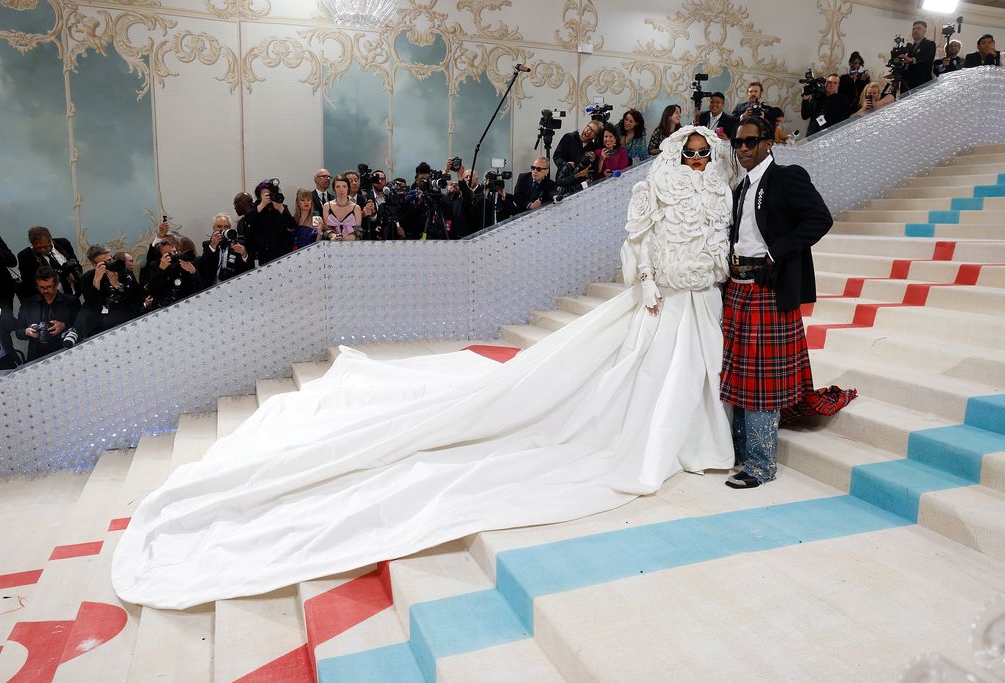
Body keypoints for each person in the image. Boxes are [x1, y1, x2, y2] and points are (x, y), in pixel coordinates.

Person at [111, 125, 738, 610]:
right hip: (663, 299)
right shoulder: (653, 186)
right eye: (691, 154)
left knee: (689, 368)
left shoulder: (719, 190)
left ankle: (697, 430)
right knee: (642, 376)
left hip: (704, 294)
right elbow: (636, 241)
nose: (698, 162)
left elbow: (720, 241)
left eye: (704, 155)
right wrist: (648, 281)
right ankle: (664, 434)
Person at [722, 117, 851, 489]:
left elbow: (819, 219)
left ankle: (762, 466)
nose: (743, 148)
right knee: (738, 376)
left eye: (750, 142)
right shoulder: (738, 187)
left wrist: (774, 256)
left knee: (760, 381)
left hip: (768, 287)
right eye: (738, 143)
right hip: (738, 286)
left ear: (768, 143)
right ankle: (741, 453)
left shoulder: (787, 176)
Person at [64, 245, 143, 347]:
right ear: (94, 264)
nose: (109, 264)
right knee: (86, 308)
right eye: (104, 263)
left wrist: (117, 285)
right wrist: (96, 281)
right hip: (103, 311)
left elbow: (137, 295)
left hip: (124, 308)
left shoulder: (121, 269)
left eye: (110, 260)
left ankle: (76, 330)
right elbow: (92, 304)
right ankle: (75, 331)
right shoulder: (87, 278)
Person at [16, 266, 80, 362]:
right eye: (41, 287)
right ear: (37, 285)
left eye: (49, 287)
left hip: (66, 353)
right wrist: (27, 331)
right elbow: (18, 332)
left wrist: (64, 326)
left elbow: (81, 326)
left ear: (57, 284)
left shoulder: (71, 301)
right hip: (37, 356)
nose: (45, 291)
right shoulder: (27, 304)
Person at [17, 226, 81, 301]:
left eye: (45, 246)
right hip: (47, 300)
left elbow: (76, 264)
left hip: (73, 295)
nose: (42, 250)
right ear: (32, 244)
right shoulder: (25, 256)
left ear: (50, 240)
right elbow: (29, 282)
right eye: (38, 248)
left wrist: (73, 273)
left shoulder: (63, 243)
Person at [246, 180, 295, 265]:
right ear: (259, 196)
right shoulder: (255, 208)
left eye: (270, 194)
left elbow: (292, 225)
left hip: (281, 252)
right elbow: (248, 219)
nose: (268, 197)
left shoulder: (280, 207)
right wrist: (262, 205)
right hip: (262, 253)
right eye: (265, 194)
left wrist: (280, 209)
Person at [200, 212, 252, 287]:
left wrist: (244, 255)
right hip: (213, 286)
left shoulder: (240, 244)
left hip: (235, 285)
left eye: (226, 227)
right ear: (213, 228)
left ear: (230, 228)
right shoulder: (208, 245)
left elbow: (249, 269)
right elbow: (203, 269)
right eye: (219, 226)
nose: (223, 229)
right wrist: (212, 246)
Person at [320, 176, 362, 242]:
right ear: (334, 189)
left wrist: (351, 237)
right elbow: (326, 228)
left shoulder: (356, 208)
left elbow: (358, 230)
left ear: (348, 188)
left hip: (351, 245)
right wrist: (333, 236)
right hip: (332, 244)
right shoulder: (327, 206)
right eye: (338, 187)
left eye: (344, 186)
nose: (341, 190)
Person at [901, 21, 936, 93]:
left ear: (925, 31)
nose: (915, 31)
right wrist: (898, 73)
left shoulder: (929, 44)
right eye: (913, 29)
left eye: (918, 28)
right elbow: (907, 65)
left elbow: (926, 57)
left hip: (921, 84)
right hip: (907, 85)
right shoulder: (911, 47)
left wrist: (912, 60)